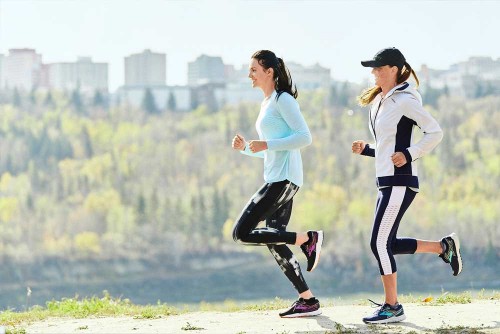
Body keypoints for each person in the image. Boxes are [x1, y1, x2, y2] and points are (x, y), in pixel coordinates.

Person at [351, 47, 463, 324]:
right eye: (372, 68)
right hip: (385, 182)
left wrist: (410, 154)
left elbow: (435, 132)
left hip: (400, 182)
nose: (373, 72)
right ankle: (443, 247)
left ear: (393, 69)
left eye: (378, 68)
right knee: (385, 243)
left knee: (378, 243)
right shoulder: (382, 100)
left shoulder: (405, 99)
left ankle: (393, 306)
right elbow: (390, 147)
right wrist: (368, 149)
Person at [231, 50, 323, 318]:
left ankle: (308, 239)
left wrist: (265, 144)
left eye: (254, 70)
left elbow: (304, 137)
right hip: (278, 176)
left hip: (283, 180)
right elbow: (269, 147)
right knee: (274, 238)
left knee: (242, 232)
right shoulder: (267, 102)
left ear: (269, 72)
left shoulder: (283, 100)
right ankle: (308, 300)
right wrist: (246, 148)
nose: (249, 74)